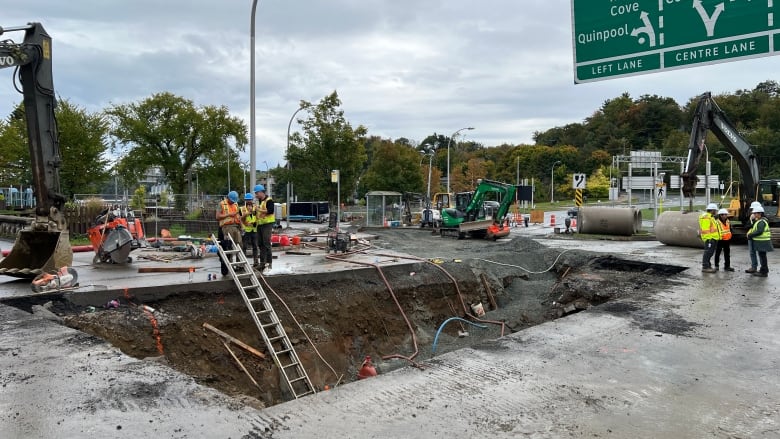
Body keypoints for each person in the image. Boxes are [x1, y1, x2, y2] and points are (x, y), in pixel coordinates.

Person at [216, 191, 242, 275]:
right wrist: (229, 214)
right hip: (227, 227)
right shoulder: (222, 204)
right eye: (232, 200)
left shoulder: (236, 204)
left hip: (236, 227)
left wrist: (241, 226)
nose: (233, 202)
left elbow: (239, 216)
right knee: (229, 246)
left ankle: (239, 265)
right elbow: (217, 216)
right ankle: (229, 265)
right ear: (228, 198)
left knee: (239, 246)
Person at [254, 184, 275, 272]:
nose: (256, 195)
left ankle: (269, 263)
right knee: (260, 244)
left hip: (267, 224)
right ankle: (262, 263)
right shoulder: (260, 201)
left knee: (266, 243)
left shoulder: (269, 200)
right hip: (260, 224)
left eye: (257, 193)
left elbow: (270, 211)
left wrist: (259, 210)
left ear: (261, 192)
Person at [746, 205, 772, 277]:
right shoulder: (759, 221)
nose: (754, 214)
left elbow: (759, 231)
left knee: (763, 257)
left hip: (762, 242)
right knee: (762, 256)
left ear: (760, 213)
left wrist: (750, 235)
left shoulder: (761, 222)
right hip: (761, 242)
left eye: (755, 213)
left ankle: (764, 272)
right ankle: (763, 270)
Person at [699, 203, 720, 273]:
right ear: (712, 210)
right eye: (715, 210)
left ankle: (708, 265)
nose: (716, 212)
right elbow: (705, 229)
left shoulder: (710, 217)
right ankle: (705, 267)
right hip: (710, 239)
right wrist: (709, 239)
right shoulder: (706, 217)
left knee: (710, 252)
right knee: (708, 252)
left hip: (712, 238)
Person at [240, 193, 259, 267]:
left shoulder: (255, 208)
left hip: (254, 230)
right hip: (246, 230)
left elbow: (258, 218)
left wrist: (255, 222)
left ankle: (256, 261)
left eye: (250, 199)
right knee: (244, 246)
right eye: (247, 200)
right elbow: (240, 219)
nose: (249, 201)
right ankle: (244, 262)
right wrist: (243, 226)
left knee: (255, 246)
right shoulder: (242, 209)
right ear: (245, 200)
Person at [746, 201, 762, 273]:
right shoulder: (751, 218)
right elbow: (747, 226)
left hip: (758, 238)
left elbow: (759, 228)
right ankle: (754, 267)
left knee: (761, 253)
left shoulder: (762, 218)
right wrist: (751, 220)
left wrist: (753, 221)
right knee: (752, 252)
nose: (752, 212)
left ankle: (762, 269)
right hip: (751, 238)